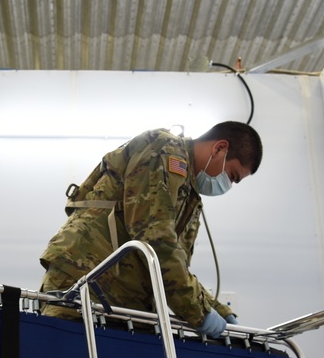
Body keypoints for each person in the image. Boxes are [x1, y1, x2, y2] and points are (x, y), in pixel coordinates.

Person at [39, 121, 263, 338]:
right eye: (231, 176)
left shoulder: (190, 197)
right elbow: (155, 239)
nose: (227, 185)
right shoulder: (164, 151)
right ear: (220, 148)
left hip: (121, 296)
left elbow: (176, 266)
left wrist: (218, 310)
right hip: (86, 282)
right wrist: (199, 311)